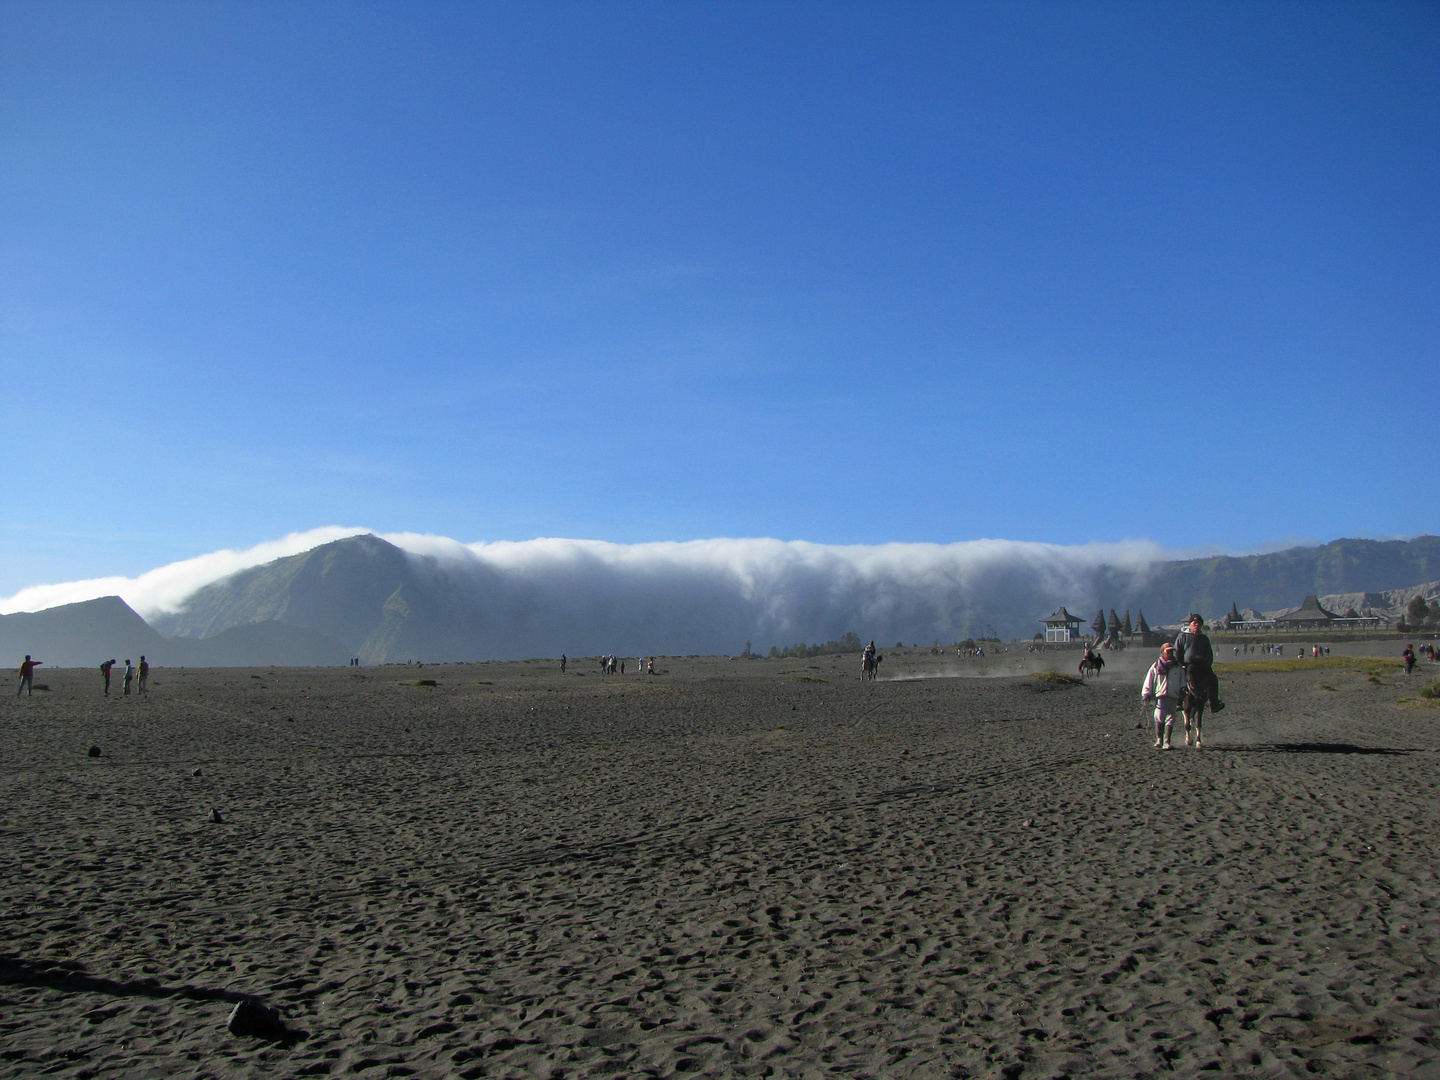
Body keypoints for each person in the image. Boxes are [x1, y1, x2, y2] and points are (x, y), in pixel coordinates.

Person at [1175, 614, 1224, 712]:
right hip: (1187, 665)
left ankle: (1214, 704)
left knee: (1213, 679)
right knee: (1178, 678)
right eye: (1195, 623)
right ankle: (1178, 703)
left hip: (1201, 666)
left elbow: (1209, 653)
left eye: (1199, 623)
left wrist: (1207, 664)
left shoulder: (1204, 638)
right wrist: (1181, 664)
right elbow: (1178, 651)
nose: (1197, 625)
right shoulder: (1183, 636)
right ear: (1190, 624)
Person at [1141, 643, 1185, 749]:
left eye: (1171, 651)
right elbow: (1149, 680)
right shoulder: (1156, 666)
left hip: (1173, 695)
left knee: (1171, 718)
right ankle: (1159, 740)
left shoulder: (1178, 667)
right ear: (1162, 652)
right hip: (1160, 695)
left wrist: (1183, 689)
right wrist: (1146, 693)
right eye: (1168, 651)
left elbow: (1182, 680)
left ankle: (1167, 742)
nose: (1170, 653)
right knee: (1159, 716)